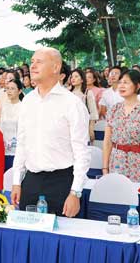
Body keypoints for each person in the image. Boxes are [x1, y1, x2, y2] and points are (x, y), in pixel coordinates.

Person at [10, 48, 90, 217]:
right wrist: (17, 182)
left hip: (61, 182)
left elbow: (81, 152)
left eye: (39, 61)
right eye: (32, 62)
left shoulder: (72, 103)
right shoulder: (28, 101)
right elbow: (22, 144)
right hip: (31, 181)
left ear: (55, 68)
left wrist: (75, 192)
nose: (32, 66)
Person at [102, 70, 140, 184]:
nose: (121, 86)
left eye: (126, 82)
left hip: (138, 164)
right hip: (116, 162)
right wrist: (105, 168)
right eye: (120, 82)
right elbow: (107, 141)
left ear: (137, 86)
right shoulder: (114, 110)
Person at [0, 77, 24, 168]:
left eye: (12, 89)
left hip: (17, 150)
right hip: (3, 149)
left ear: (20, 91)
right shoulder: (5, 106)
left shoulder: (23, 107)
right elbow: (1, 127)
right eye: (7, 89)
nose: (9, 91)